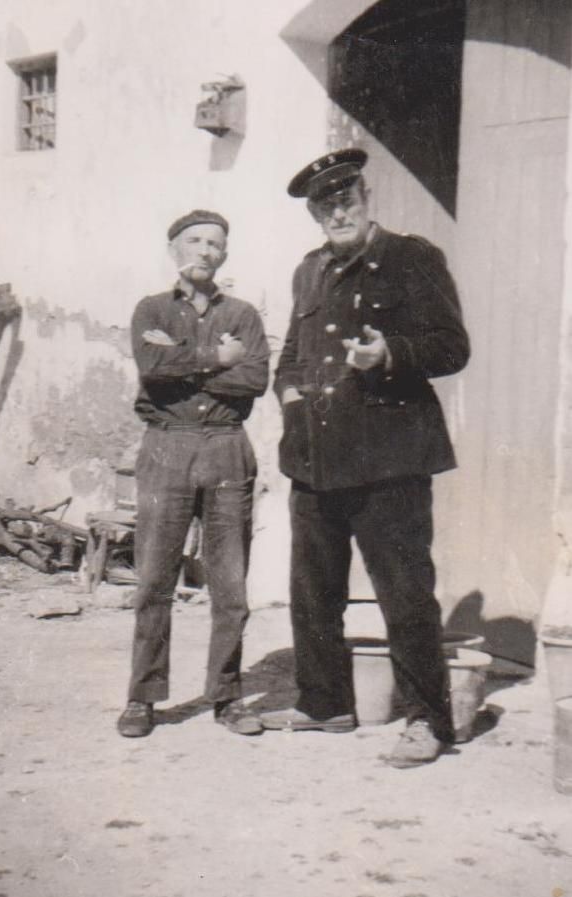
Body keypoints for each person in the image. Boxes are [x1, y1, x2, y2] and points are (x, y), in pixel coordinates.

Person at [260, 149, 470, 768]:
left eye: (346, 197)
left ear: (365, 195)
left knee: (404, 593)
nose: (337, 211)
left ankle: (427, 721)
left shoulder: (413, 257)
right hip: (315, 458)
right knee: (312, 590)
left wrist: (390, 354)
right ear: (314, 214)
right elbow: (293, 353)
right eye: (324, 204)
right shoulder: (308, 271)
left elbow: (452, 347)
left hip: (390, 458)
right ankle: (325, 703)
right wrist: (292, 399)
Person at [117, 209, 270, 738]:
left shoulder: (245, 316)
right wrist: (213, 358)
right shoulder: (151, 309)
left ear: (224, 254)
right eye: (196, 241)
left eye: (215, 244)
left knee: (230, 586)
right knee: (155, 582)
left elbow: (253, 380)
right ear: (175, 249)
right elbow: (152, 371)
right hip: (167, 448)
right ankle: (142, 698)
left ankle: (227, 697)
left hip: (227, 449)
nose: (206, 251)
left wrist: (184, 361)